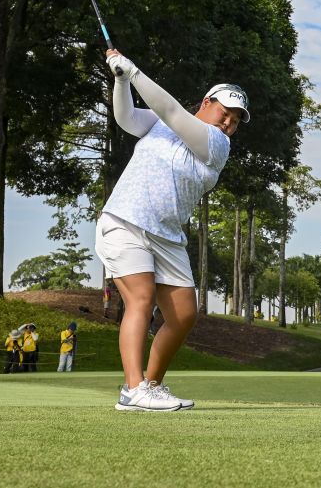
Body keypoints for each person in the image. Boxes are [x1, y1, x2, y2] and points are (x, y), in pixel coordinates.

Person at [95, 50, 248, 412]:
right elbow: (127, 118)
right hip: (126, 221)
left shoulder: (216, 145)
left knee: (183, 314)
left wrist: (134, 71)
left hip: (166, 235)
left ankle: (152, 384)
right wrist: (120, 81)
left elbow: (173, 112)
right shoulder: (161, 127)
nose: (228, 123)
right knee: (141, 299)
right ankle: (133, 391)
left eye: (235, 120)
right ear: (206, 103)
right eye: (224, 113)